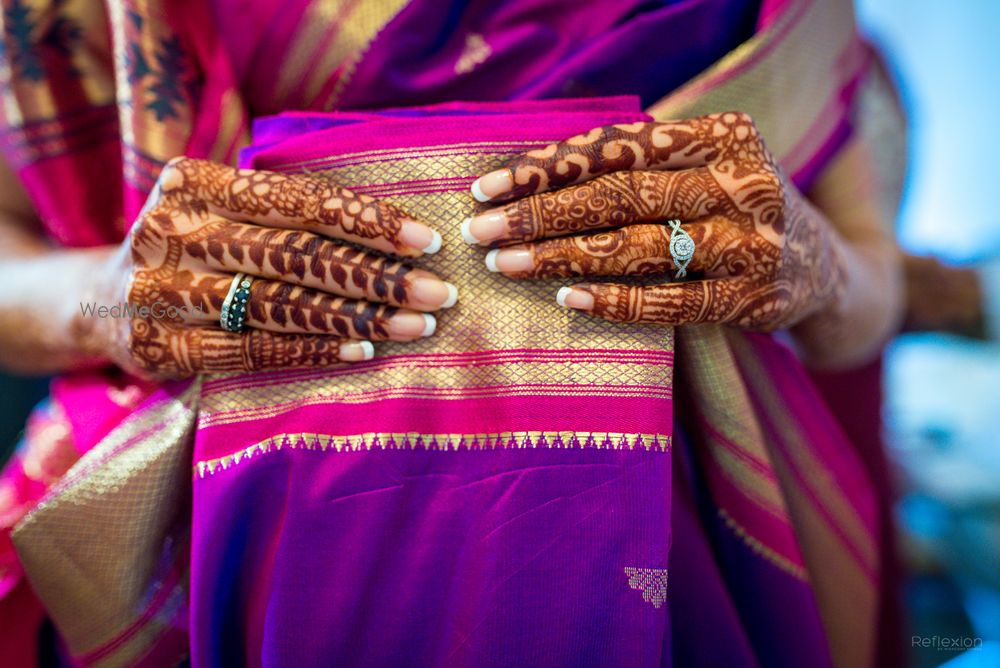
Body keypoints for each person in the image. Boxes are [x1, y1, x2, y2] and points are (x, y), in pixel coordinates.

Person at [0, 0, 906, 665]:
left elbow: (872, 289)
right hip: (218, 533)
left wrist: (815, 265)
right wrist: (107, 298)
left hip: (684, 544)